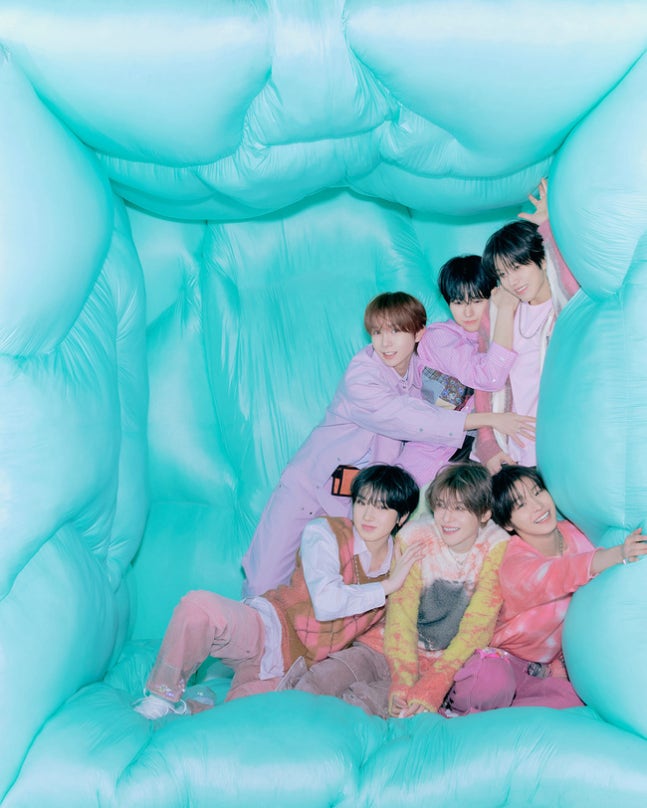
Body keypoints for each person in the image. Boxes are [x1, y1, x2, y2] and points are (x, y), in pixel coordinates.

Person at [243, 291, 535, 596]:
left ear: (418, 333)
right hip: (309, 486)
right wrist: (487, 419)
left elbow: (473, 379)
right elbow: (405, 416)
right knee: (264, 580)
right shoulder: (362, 374)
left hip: (357, 501)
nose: (385, 343)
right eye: (378, 332)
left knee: (330, 590)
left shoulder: (420, 372)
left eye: (396, 331)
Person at [133, 464, 422, 719]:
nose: (368, 515)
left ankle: (192, 708)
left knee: (235, 722)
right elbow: (326, 602)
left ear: (402, 517)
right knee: (198, 607)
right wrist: (387, 587)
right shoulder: (325, 533)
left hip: (292, 668)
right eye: (362, 502)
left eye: (382, 507)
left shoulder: (401, 563)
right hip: (268, 627)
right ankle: (160, 698)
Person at [284, 463, 509, 720]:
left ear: (484, 513)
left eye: (459, 509)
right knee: (317, 682)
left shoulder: (496, 548)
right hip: (383, 646)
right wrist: (403, 679)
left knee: (362, 707)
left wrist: (432, 688)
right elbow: (401, 617)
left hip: (439, 664)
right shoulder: (416, 538)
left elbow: (477, 628)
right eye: (441, 506)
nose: (446, 518)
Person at [444, 465, 647, 714]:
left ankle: (505, 717)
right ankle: (459, 712)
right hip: (504, 660)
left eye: (537, 492)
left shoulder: (576, 533)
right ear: (507, 523)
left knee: (575, 705)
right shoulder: (513, 561)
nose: (537, 506)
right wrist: (618, 554)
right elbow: (558, 574)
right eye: (521, 505)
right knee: (489, 681)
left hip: (545, 671)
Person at [475, 178, 580, 472]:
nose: (513, 281)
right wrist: (488, 444)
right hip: (510, 451)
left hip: (559, 446)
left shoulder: (566, 305)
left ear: (541, 261)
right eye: (503, 274)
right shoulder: (497, 312)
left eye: (518, 266)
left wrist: (546, 226)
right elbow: (485, 386)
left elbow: (567, 279)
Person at [397, 253, 520, 477]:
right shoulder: (439, 337)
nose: (468, 312)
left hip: (475, 456)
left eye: (477, 300)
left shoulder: (499, 337)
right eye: (458, 302)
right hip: (428, 454)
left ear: (494, 295)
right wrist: (504, 311)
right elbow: (488, 377)